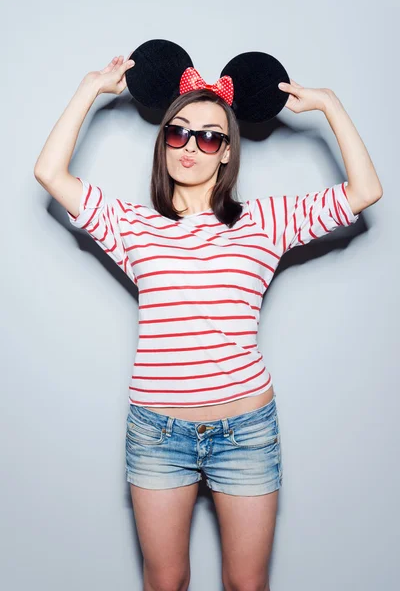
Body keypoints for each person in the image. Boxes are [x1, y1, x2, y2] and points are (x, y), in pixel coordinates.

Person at [34, 54, 383, 591]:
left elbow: (364, 192)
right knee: (165, 582)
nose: (191, 146)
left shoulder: (266, 222)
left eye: (209, 137)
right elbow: (49, 174)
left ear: (227, 154)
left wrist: (330, 106)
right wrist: (90, 89)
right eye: (177, 134)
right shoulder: (134, 225)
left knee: (247, 584)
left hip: (245, 430)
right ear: (163, 144)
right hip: (156, 432)